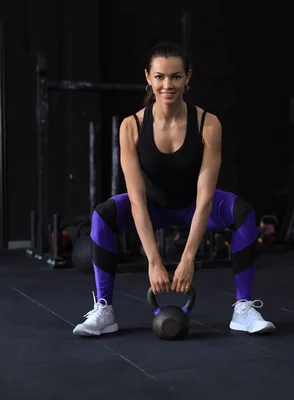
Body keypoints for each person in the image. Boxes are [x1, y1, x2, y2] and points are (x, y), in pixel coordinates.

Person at [73, 42, 276, 336]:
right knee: (102, 214)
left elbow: (206, 197)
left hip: (195, 205)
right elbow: (136, 200)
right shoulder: (131, 126)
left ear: (188, 77)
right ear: (148, 77)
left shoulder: (208, 123)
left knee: (243, 213)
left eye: (176, 77)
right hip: (152, 206)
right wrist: (154, 262)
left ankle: (243, 308)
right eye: (160, 77)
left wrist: (188, 260)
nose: (167, 85)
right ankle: (104, 309)